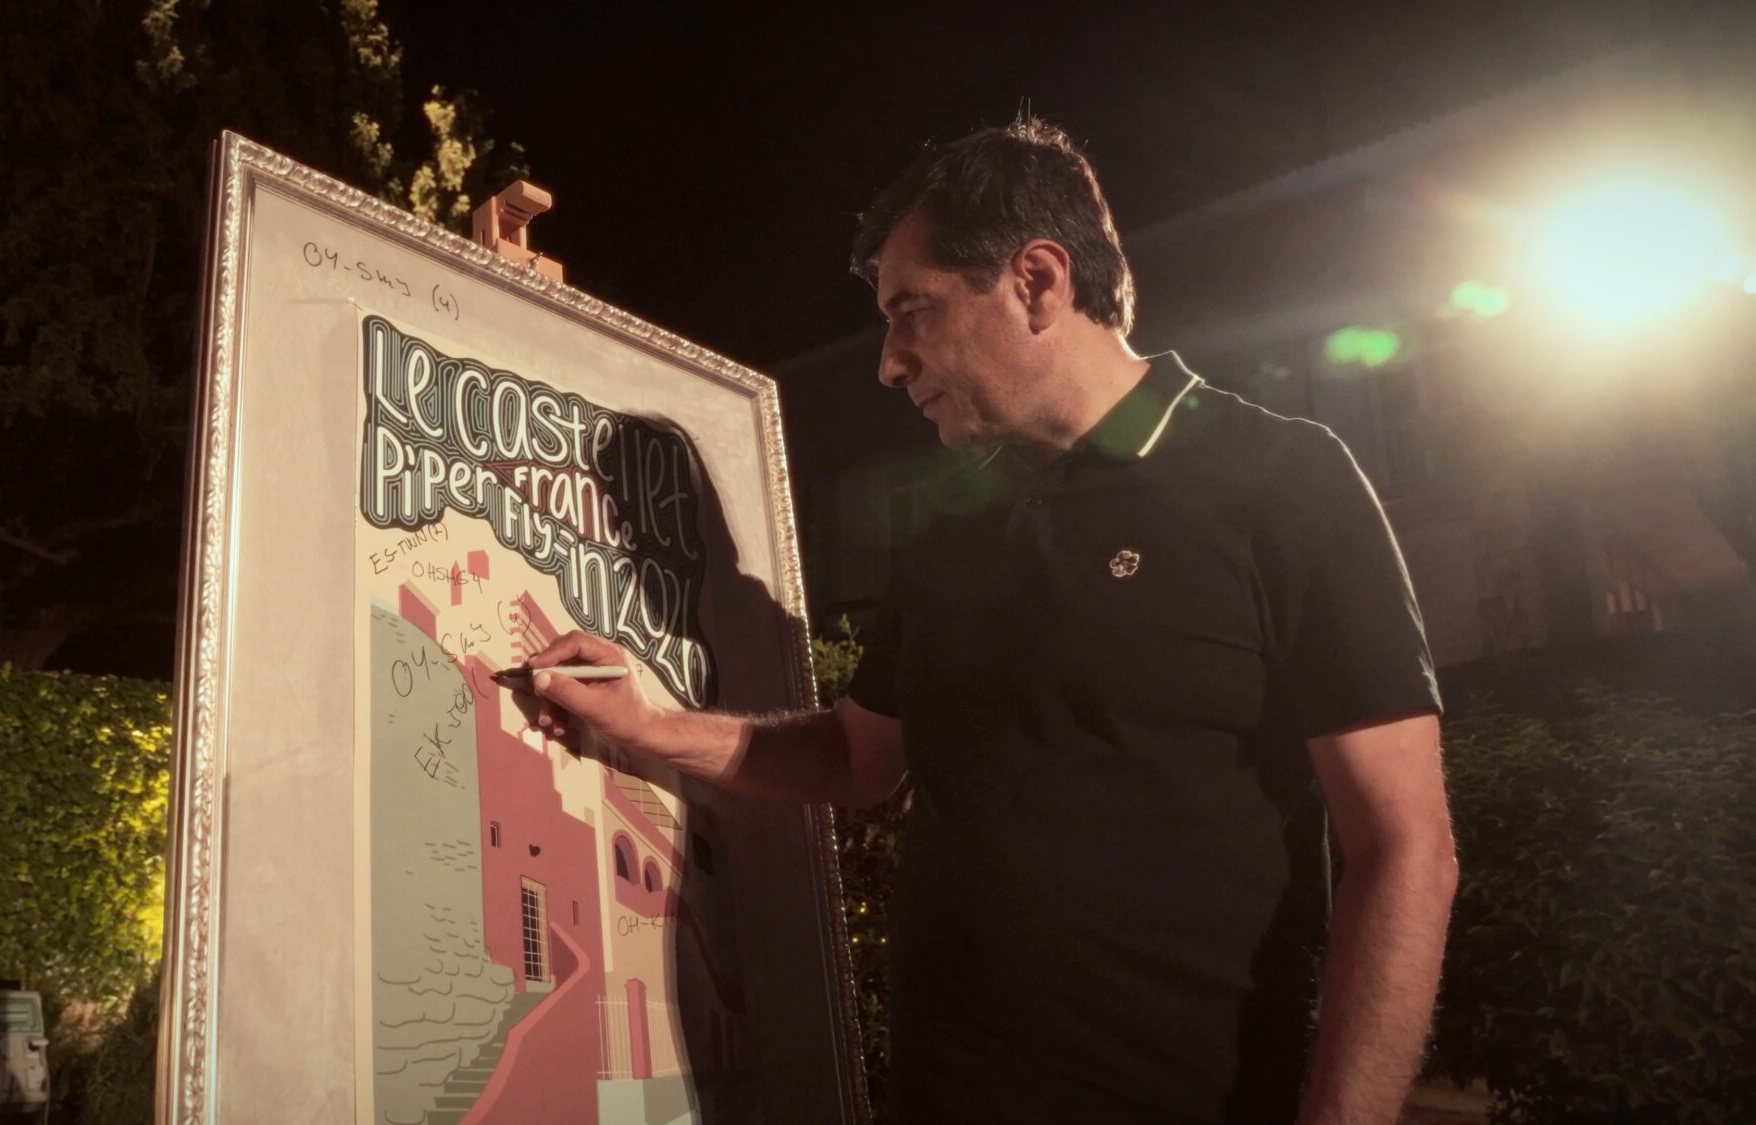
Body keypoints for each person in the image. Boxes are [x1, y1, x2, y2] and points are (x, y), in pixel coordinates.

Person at [523, 118, 1457, 1124]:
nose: (888, 361)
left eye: (910, 310)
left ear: (1037, 282)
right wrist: (655, 726)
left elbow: (1405, 849)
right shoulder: (948, 525)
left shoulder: (1284, 480)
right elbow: (854, 756)